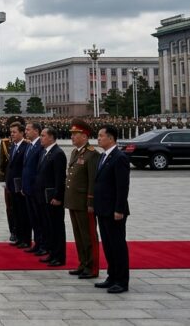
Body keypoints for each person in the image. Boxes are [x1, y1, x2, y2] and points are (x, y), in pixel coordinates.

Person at [94, 124, 131, 293]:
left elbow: (122, 187)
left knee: (117, 246)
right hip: (102, 208)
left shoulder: (119, 157)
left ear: (111, 138)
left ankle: (122, 281)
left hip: (114, 210)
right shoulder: (103, 157)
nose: (98, 138)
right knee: (108, 245)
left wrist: (119, 209)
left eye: (101, 136)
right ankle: (112, 276)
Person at [65, 119, 100, 279]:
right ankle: (82, 263)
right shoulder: (75, 152)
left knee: (88, 236)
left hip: (85, 203)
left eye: (75, 134)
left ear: (85, 136)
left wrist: (91, 202)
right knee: (78, 235)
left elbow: (92, 181)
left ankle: (91, 267)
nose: (72, 137)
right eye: (72, 134)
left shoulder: (92, 154)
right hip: (74, 201)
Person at [35, 127, 67, 267]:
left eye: (43, 136)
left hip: (53, 198)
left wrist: (58, 196)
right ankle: (52, 253)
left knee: (56, 227)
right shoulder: (45, 151)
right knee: (48, 226)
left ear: (51, 137)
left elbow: (60, 178)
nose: (41, 138)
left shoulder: (58, 154)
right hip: (44, 197)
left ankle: (59, 256)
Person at [22, 121, 46, 256]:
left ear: (36, 131)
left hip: (35, 189)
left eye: (28, 129)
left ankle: (42, 244)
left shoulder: (39, 146)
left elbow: (38, 170)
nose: (26, 132)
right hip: (28, 188)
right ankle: (37, 243)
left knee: (39, 218)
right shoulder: (30, 145)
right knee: (33, 218)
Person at [5, 121, 31, 248]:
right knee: (15, 213)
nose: (12, 134)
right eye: (11, 132)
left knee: (23, 213)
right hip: (12, 186)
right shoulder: (13, 146)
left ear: (22, 133)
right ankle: (19, 238)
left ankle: (26, 239)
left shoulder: (26, 147)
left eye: (14, 132)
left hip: (21, 186)